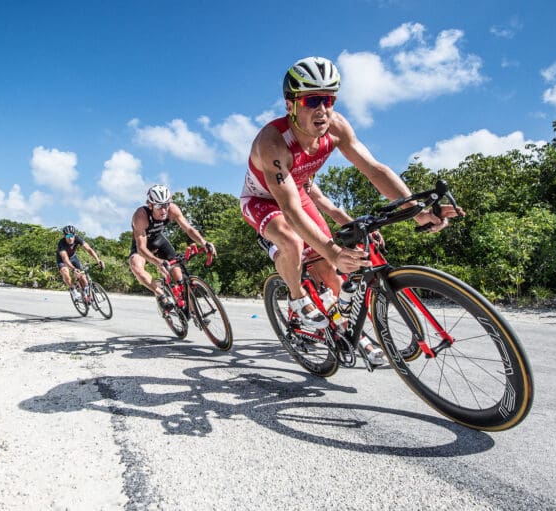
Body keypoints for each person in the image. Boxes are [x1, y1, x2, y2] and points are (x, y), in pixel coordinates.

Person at [240, 56, 462, 364]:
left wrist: (417, 211)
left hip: (300, 193)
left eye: (329, 99)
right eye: (312, 100)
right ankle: (295, 298)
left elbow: (374, 170)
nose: (322, 109)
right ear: (291, 104)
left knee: (333, 273)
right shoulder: (273, 142)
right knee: (293, 241)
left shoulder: (337, 127)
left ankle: (344, 327)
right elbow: (290, 211)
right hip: (263, 200)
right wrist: (331, 249)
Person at [129, 184, 217, 310]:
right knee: (136, 266)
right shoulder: (141, 216)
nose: (164, 210)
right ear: (150, 205)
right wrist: (158, 262)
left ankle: (194, 313)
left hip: (159, 241)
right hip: (143, 245)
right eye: (159, 206)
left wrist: (204, 242)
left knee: (179, 277)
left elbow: (189, 229)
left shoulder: (172, 209)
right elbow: (141, 248)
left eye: (166, 204)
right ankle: (160, 294)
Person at [57, 225, 105, 302]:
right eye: (68, 236)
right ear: (64, 236)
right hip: (62, 260)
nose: (70, 238)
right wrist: (73, 269)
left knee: (83, 277)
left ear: (74, 234)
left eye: (72, 235)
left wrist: (98, 260)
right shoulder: (61, 243)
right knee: (65, 273)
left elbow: (89, 249)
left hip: (73, 258)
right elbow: (65, 259)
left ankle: (87, 295)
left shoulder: (77, 238)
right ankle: (73, 290)